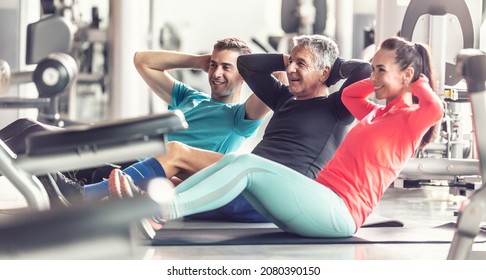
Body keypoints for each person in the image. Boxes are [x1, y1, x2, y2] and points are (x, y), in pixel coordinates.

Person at [112, 36, 444, 237]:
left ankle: (160, 210)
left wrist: (413, 80)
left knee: (244, 164)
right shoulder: (374, 114)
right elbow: (355, 91)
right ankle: (147, 207)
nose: (373, 76)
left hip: (339, 212)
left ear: (408, 75)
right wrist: (376, 76)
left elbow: (435, 108)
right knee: (236, 164)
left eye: (380, 70)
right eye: (372, 69)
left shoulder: (410, 120)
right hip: (311, 199)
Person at [87, 34, 372, 225]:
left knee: (179, 155)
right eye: (291, 62)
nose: (292, 69)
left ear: (325, 73)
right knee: (172, 180)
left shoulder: (337, 107)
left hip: (279, 191)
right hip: (247, 182)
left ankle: (87, 197)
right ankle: (110, 205)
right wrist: (287, 59)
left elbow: (363, 71)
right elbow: (246, 65)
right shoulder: (284, 98)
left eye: (301, 63)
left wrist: (334, 68)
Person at [0, 37, 269, 206]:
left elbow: (275, 86)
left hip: (139, 167)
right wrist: (198, 61)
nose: (216, 73)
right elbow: (143, 60)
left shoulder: (239, 117)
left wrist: (253, 67)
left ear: (243, 75)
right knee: (27, 126)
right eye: (214, 65)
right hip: (119, 149)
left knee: (31, 139)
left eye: (227, 67)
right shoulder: (191, 97)